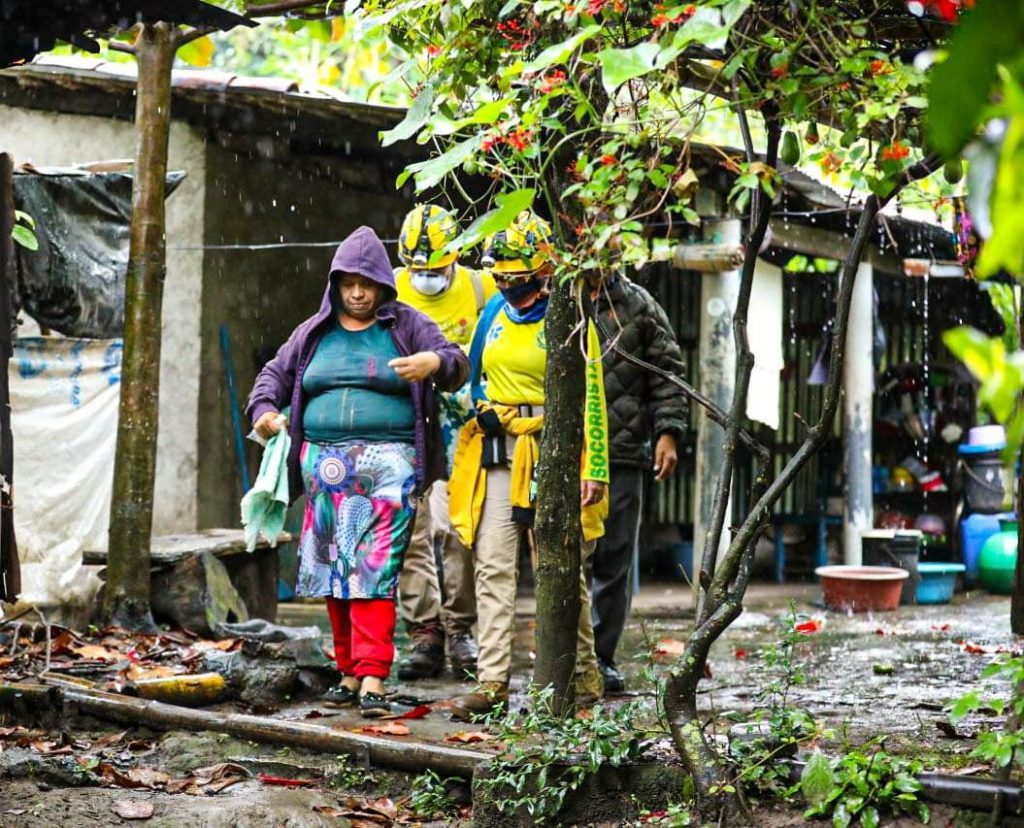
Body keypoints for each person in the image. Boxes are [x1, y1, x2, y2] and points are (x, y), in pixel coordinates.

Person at [246, 225, 468, 718]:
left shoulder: (406, 325)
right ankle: (347, 671)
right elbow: (273, 376)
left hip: (389, 470)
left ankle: (373, 675)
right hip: (324, 472)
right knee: (332, 569)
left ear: (383, 285)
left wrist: (433, 361)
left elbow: (457, 363)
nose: (358, 292)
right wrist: (263, 408)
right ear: (335, 285)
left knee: (372, 570)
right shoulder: (312, 333)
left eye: (366, 283)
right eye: (348, 283)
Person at [447, 211, 610, 720]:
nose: (508, 288)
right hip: (499, 451)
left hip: (554, 451)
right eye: (501, 279)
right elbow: (474, 379)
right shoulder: (492, 312)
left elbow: (594, 398)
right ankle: (493, 682)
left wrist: (595, 466)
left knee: (558, 568)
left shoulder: (572, 318)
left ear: (542, 274)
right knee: (493, 565)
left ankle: (580, 677)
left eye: (517, 280)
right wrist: (485, 411)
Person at [393, 204, 497, 681]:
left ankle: (460, 628)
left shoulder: (482, 288)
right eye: (420, 271)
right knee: (409, 532)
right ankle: (424, 631)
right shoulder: (389, 288)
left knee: (455, 529)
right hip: (403, 425)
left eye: (436, 270)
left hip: (461, 428)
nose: (427, 279)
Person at [588, 271, 687, 693]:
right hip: (561, 454)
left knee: (613, 559)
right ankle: (566, 656)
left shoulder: (638, 303)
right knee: (565, 560)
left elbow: (668, 371)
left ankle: (601, 657)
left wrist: (668, 433)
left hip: (623, 450)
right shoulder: (551, 300)